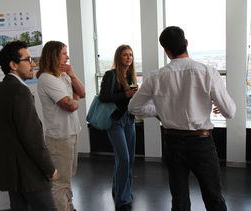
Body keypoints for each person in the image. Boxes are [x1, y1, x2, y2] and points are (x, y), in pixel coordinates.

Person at [128, 26, 236, 211]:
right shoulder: (207, 72)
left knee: (179, 200)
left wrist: (158, 111)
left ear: (166, 50)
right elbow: (229, 112)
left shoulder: (156, 77)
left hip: (172, 142)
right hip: (201, 142)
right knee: (213, 197)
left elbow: (134, 107)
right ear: (186, 43)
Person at [0, 41, 58, 211]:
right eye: (28, 59)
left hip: (10, 170)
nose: (33, 63)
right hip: (29, 171)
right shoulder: (20, 91)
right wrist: (49, 168)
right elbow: (32, 136)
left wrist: (2, 143)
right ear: (13, 65)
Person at [36, 41, 85, 211]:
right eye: (64, 53)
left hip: (70, 133)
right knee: (60, 182)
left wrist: (72, 75)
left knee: (67, 177)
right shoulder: (47, 78)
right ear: (53, 56)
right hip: (59, 137)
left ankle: (69, 208)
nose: (68, 56)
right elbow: (70, 105)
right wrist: (75, 99)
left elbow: (83, 92)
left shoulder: (63, 75)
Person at [99, 45, 138, 211]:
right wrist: (126, 95)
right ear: (118, 57)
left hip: (129, 120)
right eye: (125, 55)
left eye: (130, 55)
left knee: (129, 159)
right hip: (115, 122)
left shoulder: (130, 75)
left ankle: (121, 190)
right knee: (124, 159)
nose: (128, 58)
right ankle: (122, 198)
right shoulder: (111, 75)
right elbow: (104, 97)